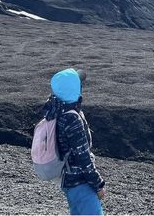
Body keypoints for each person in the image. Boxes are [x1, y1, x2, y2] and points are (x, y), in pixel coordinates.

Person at [43, 68, 106, 215]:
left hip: (68, 181)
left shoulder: (56, 112)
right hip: (81, 183)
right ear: (75, 90)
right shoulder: (72, 119)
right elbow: (83, 158)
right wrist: (98, 184)